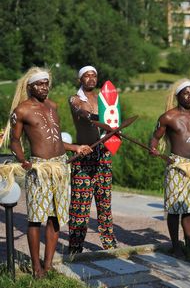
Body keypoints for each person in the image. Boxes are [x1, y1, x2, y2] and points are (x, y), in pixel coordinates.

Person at [1, 67, 92, 278]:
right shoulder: (21, 111)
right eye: (39, 84)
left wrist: (76, 148)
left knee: (55, 217)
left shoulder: (53, 106)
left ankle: (49, 264)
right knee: (35, 219)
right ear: (30, 86)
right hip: (39, 168)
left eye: (46, 83)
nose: (44, 87)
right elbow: (15, 141)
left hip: (60, 167)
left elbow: (56, 139)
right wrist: (23, 160)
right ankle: (36, 267)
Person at [149, 78, 190, 258]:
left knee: (188, 208)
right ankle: (176, 246)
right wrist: (153, 148)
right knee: (174, 208)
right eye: (186, 93)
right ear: (178, 96)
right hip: (176, 166)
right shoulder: (168, 117)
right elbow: (155, 138)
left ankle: (189, 245)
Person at [68, 66, 118, 254]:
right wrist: (94, 117)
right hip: (84, 155)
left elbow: (113, 117)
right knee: (80, 205)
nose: (90, 78)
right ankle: (75, 248)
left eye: (93, 75)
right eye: (86, 75)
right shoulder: (75, 99)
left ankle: (109, 245)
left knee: (104, 202)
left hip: (103, 155)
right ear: (80, 79)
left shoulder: (103, 100)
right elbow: (81, 112)